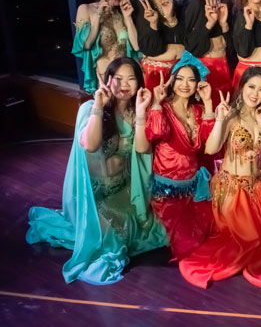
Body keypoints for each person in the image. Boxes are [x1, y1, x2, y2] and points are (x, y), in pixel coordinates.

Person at [26, 58, 167, 284]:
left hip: (122, 189)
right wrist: (98, 107)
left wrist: (141, 112)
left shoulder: (136, 112)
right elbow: (90, 145)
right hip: (93, 195)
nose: (124, 84)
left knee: (156, 227)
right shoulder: (90, 108)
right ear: (108, 80)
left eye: (131, 79)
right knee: (112, 239)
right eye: (118, 78)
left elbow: (142, 148)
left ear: (139, 83)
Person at [178, 67, 261, 288]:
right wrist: (220, 120)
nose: (255, 94)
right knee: (249, 240)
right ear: (242, 87)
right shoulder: (231, 116)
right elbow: (211, 149)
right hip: (231, 190)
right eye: (251, 87)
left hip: (256, 190)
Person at [145, 51, 216, 259]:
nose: (185, 85)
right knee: (183, 242)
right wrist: (156, 103)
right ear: (172, 81)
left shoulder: (198, 110)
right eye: (180, 79)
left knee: (208, 234)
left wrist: (208, 102)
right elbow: (155, 132)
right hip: (167, 192)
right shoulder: (163, 109)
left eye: (191, 80)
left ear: (197, 84)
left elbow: (209, 140)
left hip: (191, 189)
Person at [72, 0, 139, 94]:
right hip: (105, 81)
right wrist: (98, 15)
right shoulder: (86, 9)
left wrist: (128, 18)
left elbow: (136, 47)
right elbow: (86, 44)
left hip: (126, 80)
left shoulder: (122, 14)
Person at [185, 0, 234, 109]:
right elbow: (190, 47)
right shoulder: (196, 5)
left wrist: (224, 24)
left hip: (224, 68)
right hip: (205, 70)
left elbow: (231, 47)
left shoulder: (224, 5)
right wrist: (209, 24)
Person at [136, 0, 186, 90]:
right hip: (157, 73)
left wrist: (171, 19)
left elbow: (187, 40)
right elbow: (151, 50)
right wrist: (153, 24)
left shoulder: (180, 2)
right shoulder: (142, 9)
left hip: (182, 71)